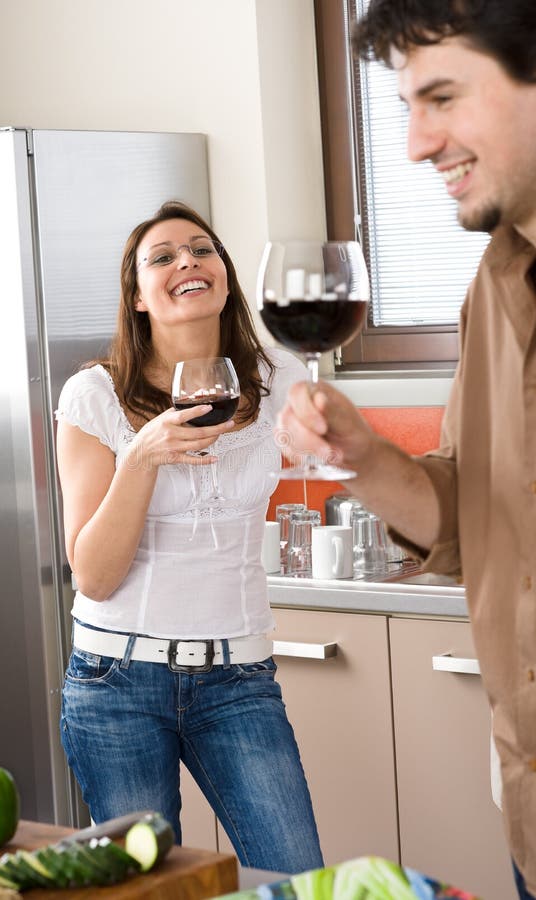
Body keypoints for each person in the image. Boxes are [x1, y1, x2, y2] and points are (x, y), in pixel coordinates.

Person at [277, 1, 536, 896]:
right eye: (405, 109)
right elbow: (470, 513)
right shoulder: (494, 286)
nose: (418, 145)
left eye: (443, 98)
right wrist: (365, 455)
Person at [55, 200, 323, 873]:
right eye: (163, 256)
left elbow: (325, 459)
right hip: (116, 680)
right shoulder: (94, 396)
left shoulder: (280, 380)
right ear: (138, 296)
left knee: (295, 878)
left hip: (238, 677)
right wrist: (142, 456)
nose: (187, 262)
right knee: (145, 889)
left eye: (202, 250)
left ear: (225, 277)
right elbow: (93, 575)